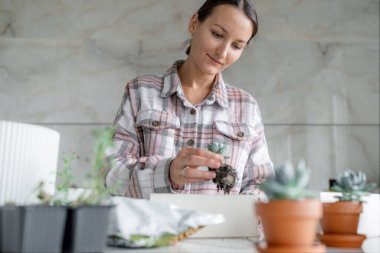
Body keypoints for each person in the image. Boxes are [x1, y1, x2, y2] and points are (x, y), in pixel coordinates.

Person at [105, 0, 274, 200]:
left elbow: (263, 185)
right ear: (194, 23)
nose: (223, 52)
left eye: (236, 46)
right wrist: (167, 173)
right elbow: (110, 174)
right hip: (156, 230)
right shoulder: (141, 91)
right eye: (217, 35)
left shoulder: (246, 106)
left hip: (223, 231)